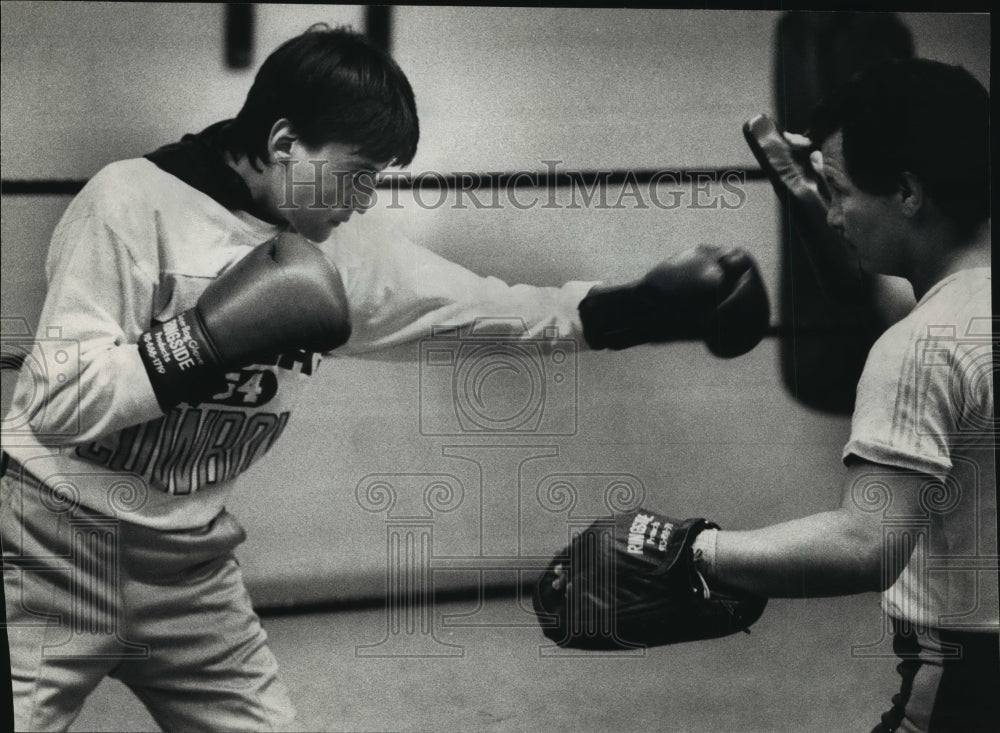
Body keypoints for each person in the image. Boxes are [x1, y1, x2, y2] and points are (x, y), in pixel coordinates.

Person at [0, 25, 770, 732]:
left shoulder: (343, 252)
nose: (366, 199)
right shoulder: (129, 204)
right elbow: (56, 405)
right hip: (52, 546)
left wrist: (640, 308)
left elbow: (493, 312)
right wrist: (204, 342)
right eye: (357, 174)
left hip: (188, 568)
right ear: (284, 141)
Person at [691, 59, 994, 731]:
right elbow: (896, 311)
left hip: (969, 679)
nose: (832, 214)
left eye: (839, 190)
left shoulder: (922, 345)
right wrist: (806, 195)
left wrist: (699, 550)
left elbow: (868, 541)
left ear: (909, 192)